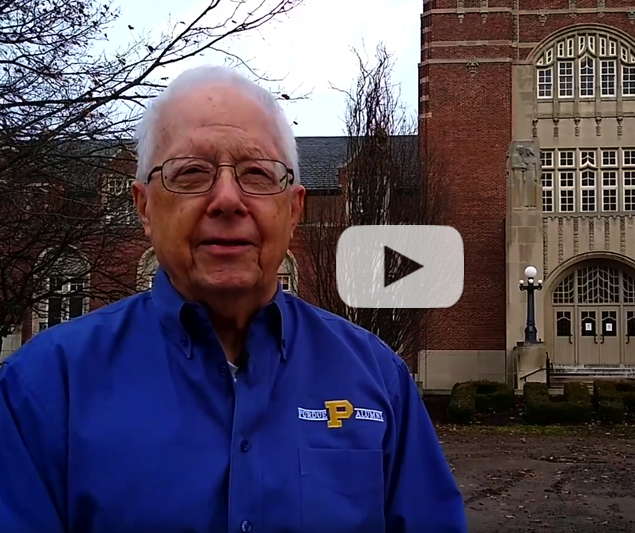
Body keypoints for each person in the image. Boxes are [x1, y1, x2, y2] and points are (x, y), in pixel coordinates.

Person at [0, 65, 468, 533]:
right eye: (190, 172)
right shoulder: (42, 389)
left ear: (294, 210)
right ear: (143, 207)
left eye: (258, 174)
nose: (227, 198)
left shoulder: (380, 381)